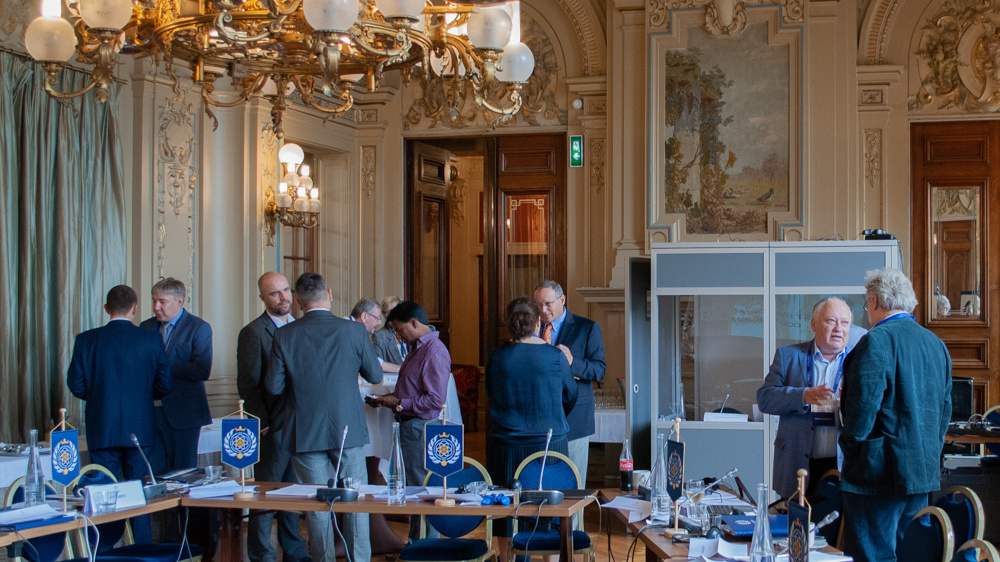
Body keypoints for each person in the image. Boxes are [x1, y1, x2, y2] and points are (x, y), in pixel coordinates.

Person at [265, 273, 382, 562]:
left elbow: (273, 386)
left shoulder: (284, 334)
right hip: (348, 428)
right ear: (328, 293)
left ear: (299, 301)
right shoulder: (354, 331)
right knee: (355, 502)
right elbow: (376, 376)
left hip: (305, 429)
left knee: (318, 506)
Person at [839, 268, 952, 562]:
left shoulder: (877, 341)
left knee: (872, 555)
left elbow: (861, 410)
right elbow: (945, 409)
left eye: (866, 304)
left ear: (875, 301)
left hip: (877, 473)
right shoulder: (936, 344)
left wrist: (851, 447)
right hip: (921, 470)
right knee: (908, 553)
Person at [67, 284, 172, 545]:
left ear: (106, 308)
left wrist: (102, 400)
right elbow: (165, 385)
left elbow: (76, 385)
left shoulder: (86, 340)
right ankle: (143, 551)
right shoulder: (151, 339)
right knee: (139, 494)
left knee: (102, 498)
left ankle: (102, 552)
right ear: (135, 309)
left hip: (102, 427)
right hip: (141, 429)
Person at [485, 297, 577, 560]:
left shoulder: (498, 356)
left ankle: (507, 557)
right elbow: (570, 395)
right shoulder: (555, 356)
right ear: (538, 321)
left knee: (506, 510)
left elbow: (490, 392)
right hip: (548, 444)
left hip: (507, 442)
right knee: (551, 509)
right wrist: (553, 415)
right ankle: (550, 558)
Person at [756, 297, 867, 499]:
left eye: (845, 323)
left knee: (836, 528)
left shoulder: (860, 361)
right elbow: (765, 398)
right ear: (814, 324)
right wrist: (803, 395)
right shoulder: (789, 356)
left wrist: (849, 406)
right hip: (797, 461)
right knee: (794, 527)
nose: (838, 329)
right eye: (831, 321)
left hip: (841, 463)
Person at [236, 272, 309, 562]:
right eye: (275, 293)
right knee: (264, 494)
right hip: (272, 427)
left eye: (285, 290)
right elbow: (248, 384)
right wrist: (263, 424)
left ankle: (293, 550)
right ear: (262, 298)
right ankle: (261, 553)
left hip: (302, 425)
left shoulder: (301, 327)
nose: (283, 297)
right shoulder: (253, 332)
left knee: (293, 493)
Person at [367, 301, 450, 542]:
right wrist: (387, 400)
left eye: (399, 329)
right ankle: (416, 546)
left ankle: (426, 548)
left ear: (414, 323)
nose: (397, 335)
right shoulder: (417, 347)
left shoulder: (434, 350)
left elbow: (435, 400)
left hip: (420, 428)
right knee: (414, 492)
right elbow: (412, 389)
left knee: (422, 493)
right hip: (411, 426)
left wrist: (400, 404)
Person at [533, 280, 606, 481]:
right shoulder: (533, 328)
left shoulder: (587, 328)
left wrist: (573, 362)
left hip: (574, 418)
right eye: (538, 304)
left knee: (573, 484)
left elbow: (599, 370)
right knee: (542, 481)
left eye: (548, 303)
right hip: (539, 418)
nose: (543, 310)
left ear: (562, 300)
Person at [139, 277, 213, 473]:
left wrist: (162, 363)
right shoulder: (145, 328)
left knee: (183, 474)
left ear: (179, 301)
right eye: (154, 300)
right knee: (153, 473)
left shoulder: (198, 328)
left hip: (185, 414)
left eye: (162, 302)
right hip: (150, 413)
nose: (156, 307)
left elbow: (202, 369)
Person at [350, 297, 400, 373]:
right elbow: (373, 364)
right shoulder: (347, 331)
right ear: (364, 316)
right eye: (377, 318)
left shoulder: (359, 333)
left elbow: (375, 361)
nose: (379, 322)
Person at [373, 296, 406, 364]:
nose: (388, 315)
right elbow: (377, 363)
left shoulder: (410, 331)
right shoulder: (379, 336)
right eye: (385, 312)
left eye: (392, 311)